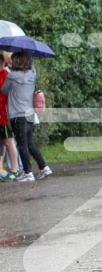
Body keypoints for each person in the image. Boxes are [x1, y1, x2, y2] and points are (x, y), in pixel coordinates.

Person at [0, 50, 52, 182]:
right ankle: (43, 167)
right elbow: (31, 65)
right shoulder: (32, 74)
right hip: (30, 113)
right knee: (29, 142)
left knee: (22, 144)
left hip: (18, 115)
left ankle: (28, 172)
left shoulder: (12, 76)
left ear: (17, 62)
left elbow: (3, 90)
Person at [0, 54, 21, 181]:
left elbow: (9, 95)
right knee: (2, 142)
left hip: (5, 115)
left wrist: (9, 116)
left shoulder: (7, 75)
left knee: (8, 141)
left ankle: (15, 168)